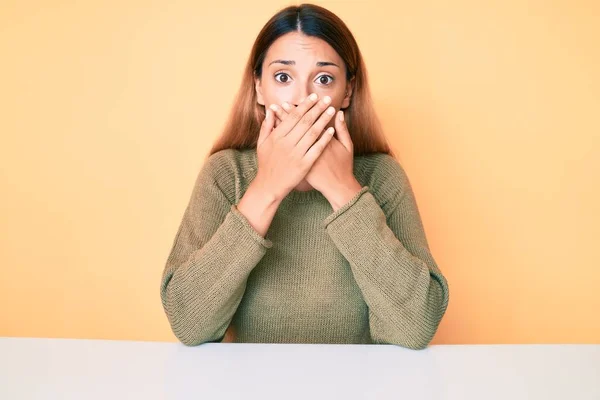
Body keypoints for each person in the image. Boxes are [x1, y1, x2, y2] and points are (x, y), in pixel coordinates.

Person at [160, 3, 449, 349]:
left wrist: (343, 190)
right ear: (259, 88)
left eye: (324, 79)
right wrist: (265, 190)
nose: (302, 99)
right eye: (283, 77)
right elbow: (188, 323)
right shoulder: (226, 174)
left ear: (347, 93)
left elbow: (415, 327)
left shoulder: (382, 176)